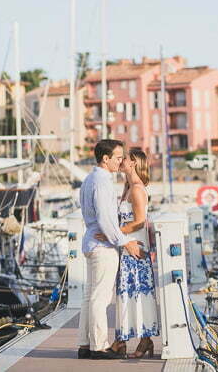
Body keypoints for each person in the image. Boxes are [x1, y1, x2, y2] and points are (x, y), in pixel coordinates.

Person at [77, 139, 144, 360]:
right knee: (100, 298)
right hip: (102, 246)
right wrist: (126, 241)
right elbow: (106, 220)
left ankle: (85, 344)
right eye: (117, 157)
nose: (120, 161)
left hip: (91, 241)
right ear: (105, 159)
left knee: (89, 296)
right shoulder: (103, 181)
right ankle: (98, 346)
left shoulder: (89, 179)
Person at [98, 148, 159, 359]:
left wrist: (112, 234)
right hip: (126, 247)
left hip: (135, 247)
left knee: (137, 294)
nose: (121, 160)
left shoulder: (137, 189)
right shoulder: (126, 188)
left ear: (133, 163)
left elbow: (140, 221)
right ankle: (124, 340)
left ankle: (142, 339)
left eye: (125, 158)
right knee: (125, 294)